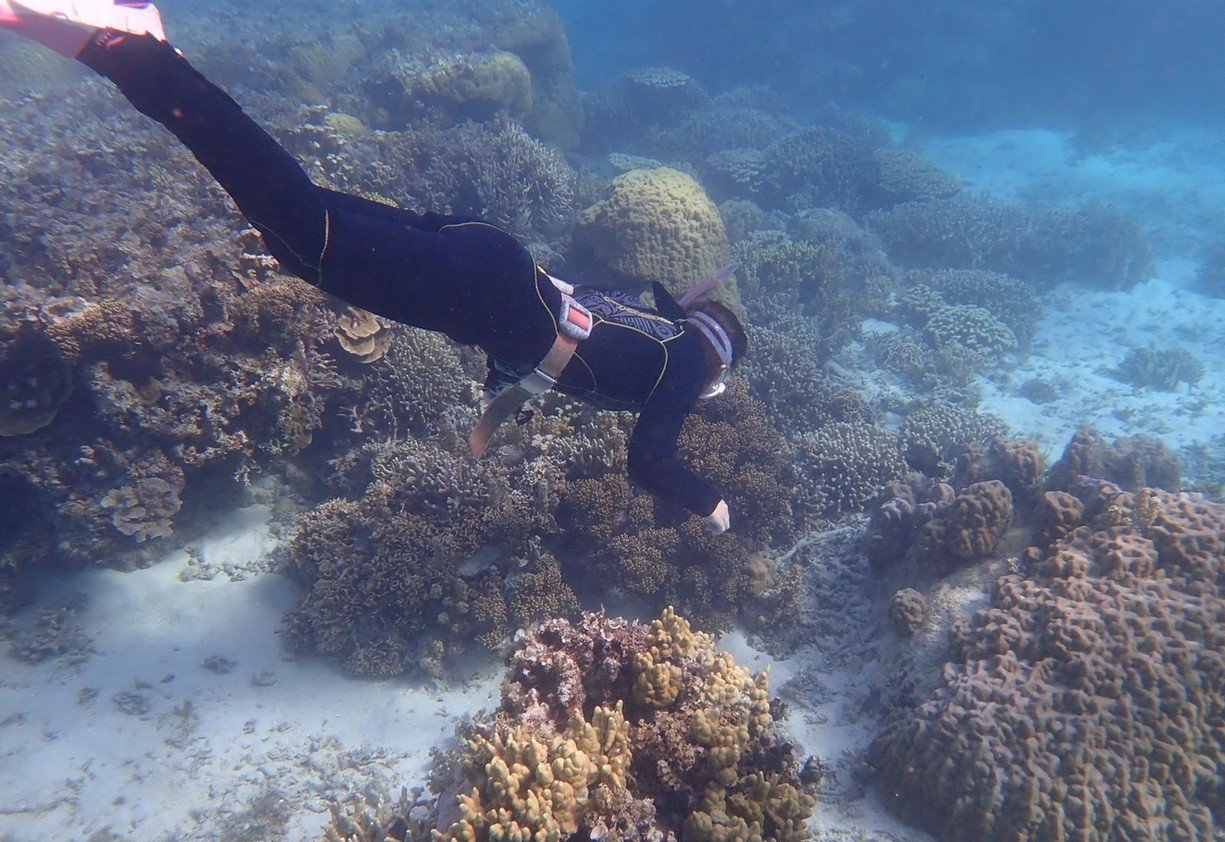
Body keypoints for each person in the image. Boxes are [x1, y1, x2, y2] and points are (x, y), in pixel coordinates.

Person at [0, 0, 748, 533]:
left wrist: (497, 406)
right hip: (475, 289)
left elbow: (560, 345)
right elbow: (649, 462)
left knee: (297, 213)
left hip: (490, 257)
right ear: (717, 369)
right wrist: (712, 506)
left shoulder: (660, 330)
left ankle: (156, 60)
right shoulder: (687, 368)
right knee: (302, 234)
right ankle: (131, 54)